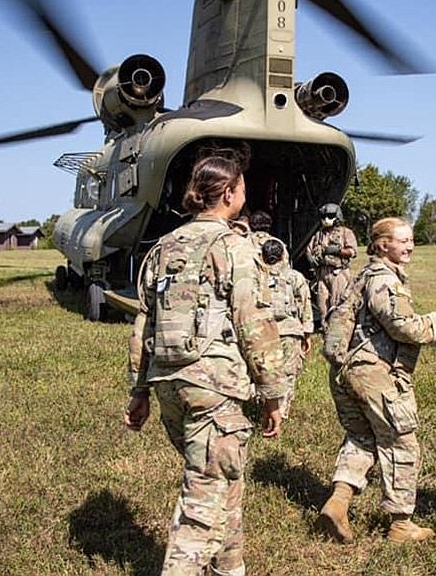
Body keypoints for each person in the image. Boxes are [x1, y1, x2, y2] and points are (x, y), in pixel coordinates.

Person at [123, 154, 286, 576]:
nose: (244, 198)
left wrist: (140, 391)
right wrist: (273, 393)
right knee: (204, 496)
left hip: (168, 383)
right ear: (228, 194)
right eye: (244, 190)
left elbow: (145, 322)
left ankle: (229, 569)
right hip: (213, 387)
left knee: (222, 482)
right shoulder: (234, 246)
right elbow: (254, 320)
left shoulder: (164, 247)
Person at [318, 217, 436, 544]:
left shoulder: (363, 274)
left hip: (346, 372)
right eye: (402, 240)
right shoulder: (383, 279)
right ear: (382, 245)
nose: (409, 246)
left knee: (361, 438)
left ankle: (337, 503)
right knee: (401, 443)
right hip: (374, 374)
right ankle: (400, 524)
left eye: (411, 240)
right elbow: (402, 326)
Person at [259, 237, 314, 419]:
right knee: (288, 373)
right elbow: (305, 304)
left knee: (264, 371)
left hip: (263, 332)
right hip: (289, 331)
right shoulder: (294, 277)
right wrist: (307, 333)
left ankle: (265, 407)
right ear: (283, 255)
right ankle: (281, 412)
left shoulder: (256, 276)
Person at [306, 203, 358, 327]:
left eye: (329, 216)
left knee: (338, 301)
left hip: (338, 273)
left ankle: (339, 328)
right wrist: (311, 259)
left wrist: (338, 251)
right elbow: (308, 249)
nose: (326, 220)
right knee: (322, 303)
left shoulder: (346, 233)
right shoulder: (318, 235)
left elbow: (353, 252)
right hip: (322, 274)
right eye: (323, 217)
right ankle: (325, 327)